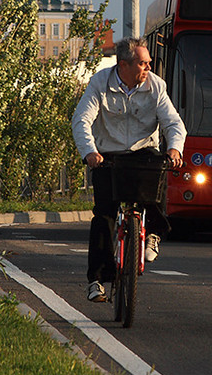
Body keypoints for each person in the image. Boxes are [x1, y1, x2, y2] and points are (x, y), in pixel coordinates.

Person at [72, 37, 186, 303]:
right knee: (103, 216)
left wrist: (175, 149)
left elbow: (173, 122)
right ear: (124, 64)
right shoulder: (100, 83)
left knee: (157, 181)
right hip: (107, 155)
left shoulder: (156, 86)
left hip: (143, 151)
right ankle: (98, 281)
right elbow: (81, 120)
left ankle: (154, 234)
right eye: (142, 63)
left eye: (148, 63)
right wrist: (90, 152)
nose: (148, 68)